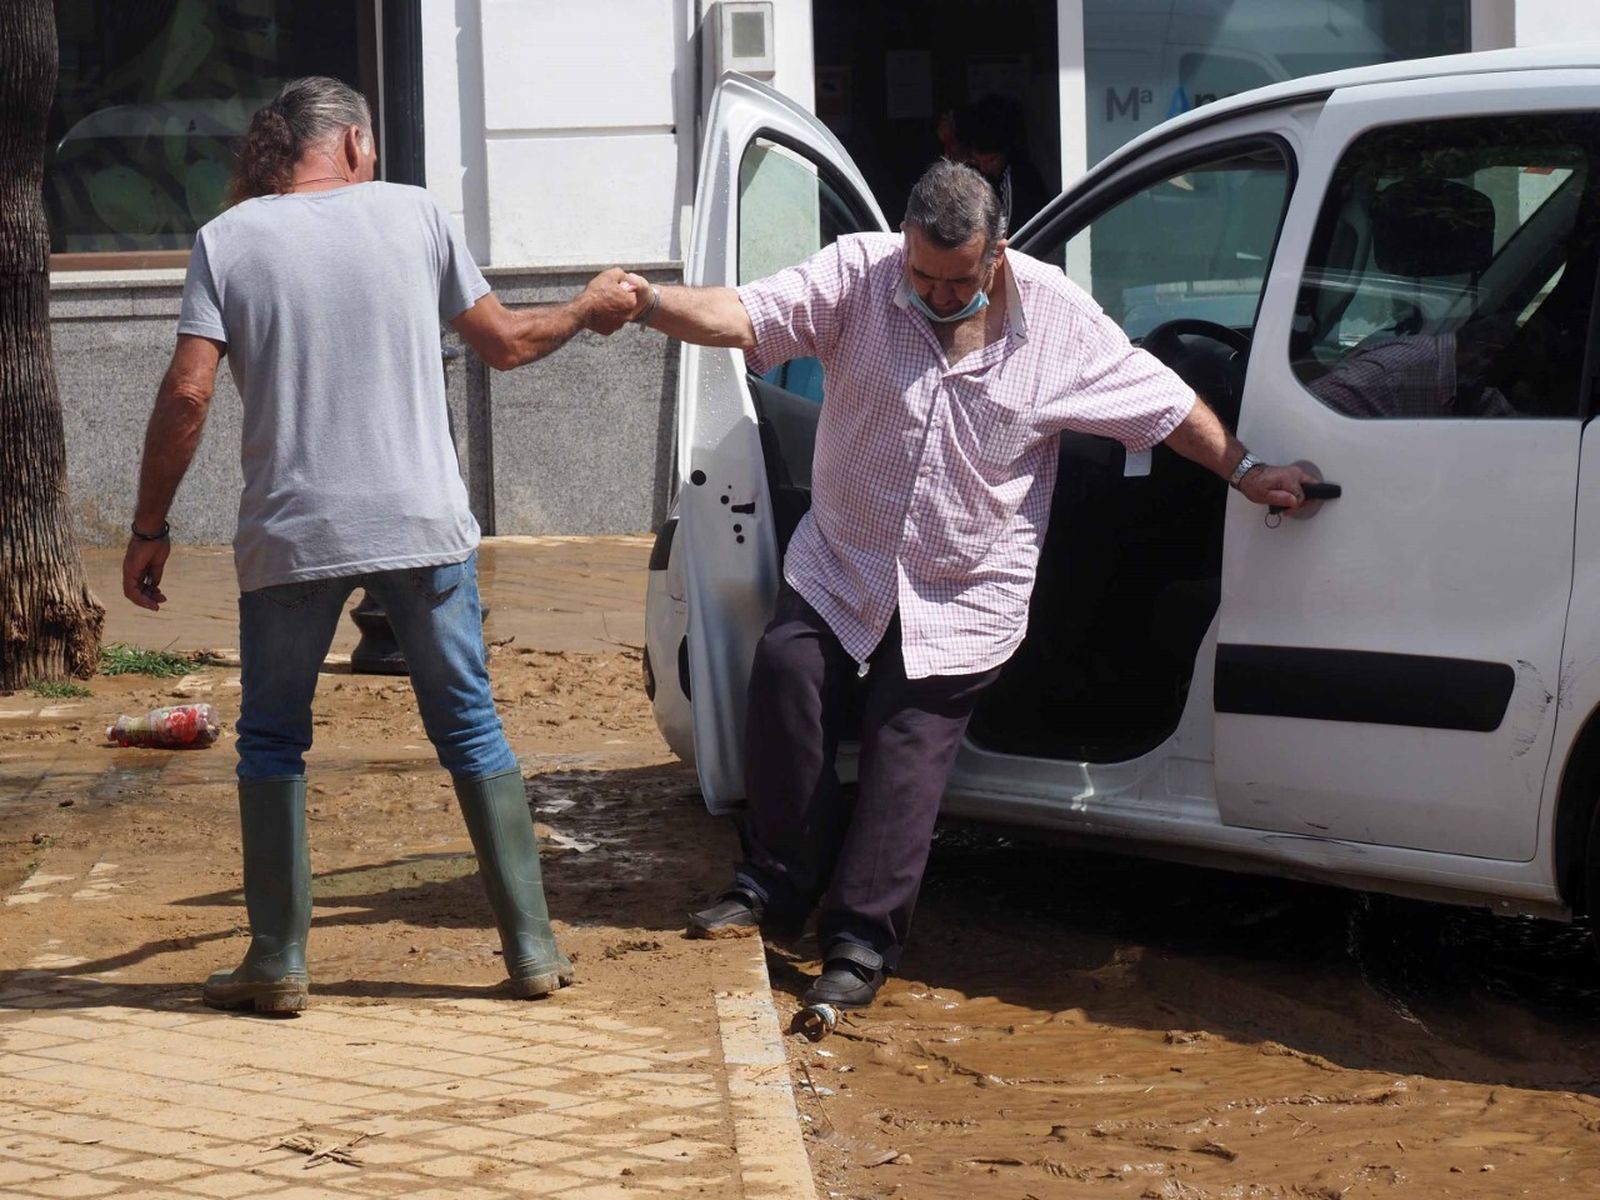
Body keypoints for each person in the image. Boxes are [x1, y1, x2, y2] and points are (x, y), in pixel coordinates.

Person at [621, 160, 1312, 1009]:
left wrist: (1246, 471)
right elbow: (746, 313)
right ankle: (772, 885)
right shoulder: (858, 275)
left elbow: (1163, 403)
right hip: (843, 562)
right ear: (904, 244)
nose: (938, 295)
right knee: (788, 677)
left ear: (997, 255)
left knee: (905, 746)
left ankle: (860, 942)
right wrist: (651, 303)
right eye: (923, 276)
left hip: (966, 587)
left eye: (958, 281)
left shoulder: (1058, 319)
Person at [119, 76, 639, 1014]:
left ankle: (277, 961)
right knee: (470, 725)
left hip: (291, 533)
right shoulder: (417, 215)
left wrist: (149, 528)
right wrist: (585, 306)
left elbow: (188, 394)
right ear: (355, 142)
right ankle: (532, 949)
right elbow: (507, 343)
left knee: (272, 739)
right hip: (421, 522)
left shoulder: (226, 239)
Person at [945, 93, 1049, 233]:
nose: (984, 167)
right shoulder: (976, 173)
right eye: (977, 160)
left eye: (991, 161)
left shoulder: (1019, 180)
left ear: (1005, 152)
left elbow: (1006, 234)